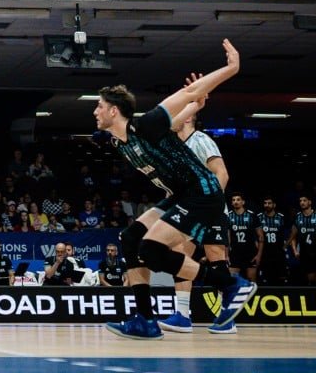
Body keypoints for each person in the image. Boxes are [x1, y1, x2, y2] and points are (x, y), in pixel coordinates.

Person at [93, 41, 255, 340]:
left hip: (201, 192)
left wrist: (231, 68)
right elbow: (184, 114)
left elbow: (188, 93)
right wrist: (195, 106)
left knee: (151, 249)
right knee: (130, 239)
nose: (95, 111)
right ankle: (145, 319)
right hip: (179, 195)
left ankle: (229, 284)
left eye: (99, 107)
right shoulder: (120, 142)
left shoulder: (148, 125)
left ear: (114, 111)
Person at [158, 108, 231, 334]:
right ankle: (182, 316)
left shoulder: (201, 140)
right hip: (188, 209)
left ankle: (226, 317)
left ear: (188, 117)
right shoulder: (174, 148)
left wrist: (211, 204)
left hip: (211, 208)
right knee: (180, 257)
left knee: (216, 257)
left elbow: (222, 174)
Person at [226, 192, 263, 282]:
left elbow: (261, 237)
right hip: (235, 253)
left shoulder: (252, 215)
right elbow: (227, 238)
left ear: (243, 202)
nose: (236, 202)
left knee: (251, 281)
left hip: (250, 252)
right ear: (231, 203)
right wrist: (226, 255)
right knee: (233, 281)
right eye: (233, 200)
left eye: (238, 200)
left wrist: (259, 255)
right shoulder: (228, 216)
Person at [258, 196, 288, 285]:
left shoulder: (281, 217)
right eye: (265, 203)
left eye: (269, 203)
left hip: (279, 251)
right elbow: (254, 235)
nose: (267, 205)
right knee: (266, 277)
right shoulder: (259, 217)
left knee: (281, 277)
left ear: (274, 205)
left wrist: (285, 246)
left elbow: (288, 233)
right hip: (265, 252)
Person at [291, 195, 316, 285]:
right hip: (305, 253)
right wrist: (295, 250)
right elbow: (293, 236)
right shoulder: (297, 217)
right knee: (310, 279)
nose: (302, 202)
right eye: (300, 201)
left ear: (310, 202)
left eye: (304, 200)